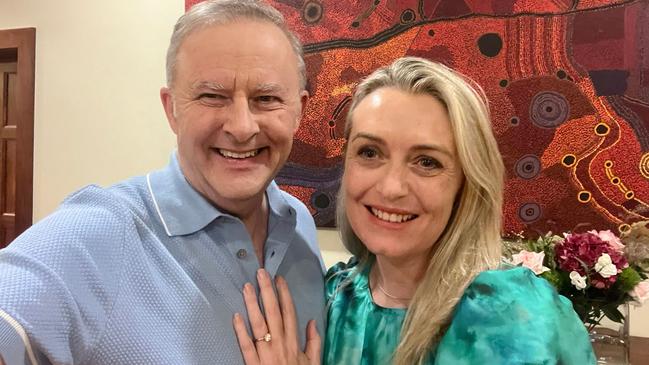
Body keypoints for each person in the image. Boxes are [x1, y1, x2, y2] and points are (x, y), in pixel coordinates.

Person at [0, 1, 325, 364]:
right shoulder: (101, 231)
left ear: (299, 110)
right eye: (212, 96)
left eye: (266, 99)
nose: (242, 127)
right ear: (172, 108)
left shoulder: (299, 223)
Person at [234, 57, 596, 364]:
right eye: (370, 152)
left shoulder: (512, 316)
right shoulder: (332, 298)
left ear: (466, 183)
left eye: (426, 161)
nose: (391, 187)